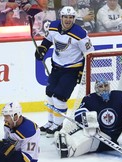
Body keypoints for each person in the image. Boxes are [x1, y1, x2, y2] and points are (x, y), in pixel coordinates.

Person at [35, 6, 94, 138]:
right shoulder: (53, 26)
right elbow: (48, 40)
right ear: (61, 17)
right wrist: (42, 49)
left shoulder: (80, 34)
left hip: (72, 70)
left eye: (71, 17)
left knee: (59, 97)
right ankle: (50, 122)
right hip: (56, 67)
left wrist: (81, 73)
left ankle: (58, 125)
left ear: (74, 19)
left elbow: (89, 54)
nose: (68, 20)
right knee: (50, 94)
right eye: (66, 17)